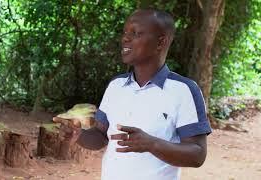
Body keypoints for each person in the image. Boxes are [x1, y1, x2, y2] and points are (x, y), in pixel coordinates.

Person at [54, 8, 212, 180]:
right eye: (125, 32)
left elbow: (197, 155)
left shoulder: (183, 90)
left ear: (160, 43)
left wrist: (152, 144)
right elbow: (100, 136)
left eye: (136, 33)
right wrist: (79, 135)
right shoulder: (116, 86)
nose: (125, 38)